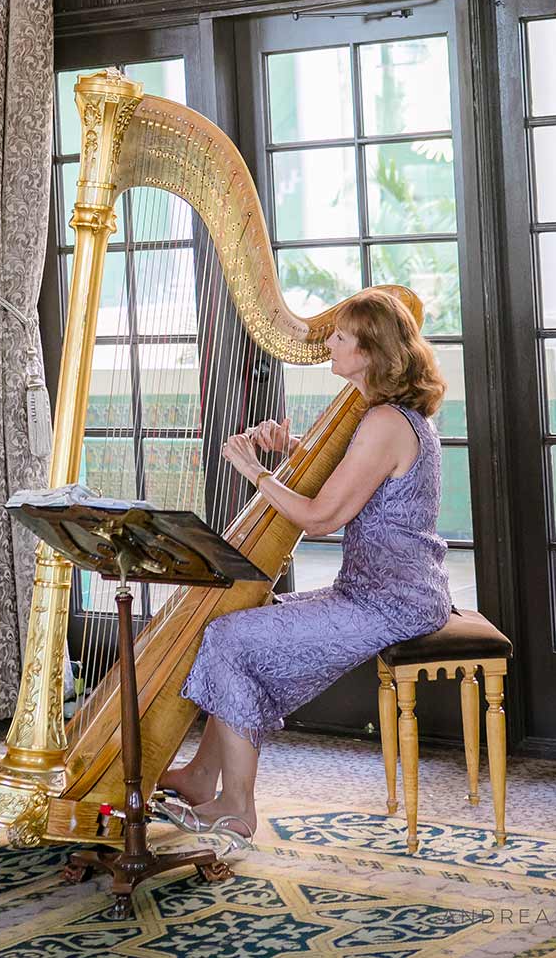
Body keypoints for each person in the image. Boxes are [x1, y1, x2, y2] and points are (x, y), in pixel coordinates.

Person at [159, 287, 452, 838]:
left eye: (340, 337)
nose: (330, 345)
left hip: (392, 603)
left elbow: (319, 518)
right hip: (377, 590)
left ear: (368, 353)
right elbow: (353, 479)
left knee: (229, 637)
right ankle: (201, 777)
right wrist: (290, 447)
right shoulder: (386, 416)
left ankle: (236, 808)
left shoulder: (385, 422)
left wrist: (255, 471)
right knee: (248, 616)